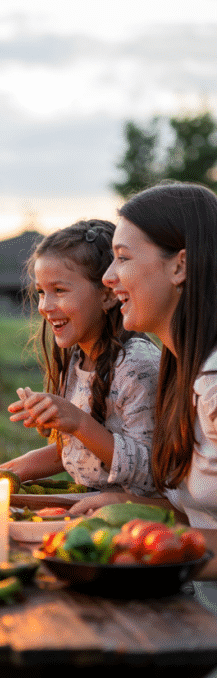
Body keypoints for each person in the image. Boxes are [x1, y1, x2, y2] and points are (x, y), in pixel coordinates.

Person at [72, 182, 217, 579]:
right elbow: (202, 519)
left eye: (123, 258)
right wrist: (124, 506)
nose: (107, 277)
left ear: (179, 266)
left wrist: (139, 550)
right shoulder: (180, 374)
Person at [0, 219, 161, 503]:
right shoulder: (78, 358)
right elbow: (81, 451)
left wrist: (77, 422)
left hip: (135, 518)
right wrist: (12, 470)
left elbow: (150, 473)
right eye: (41, 292)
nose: (45, 307)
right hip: (90, 505)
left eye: (59, 291)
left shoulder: (137, 367)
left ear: (108, 294)